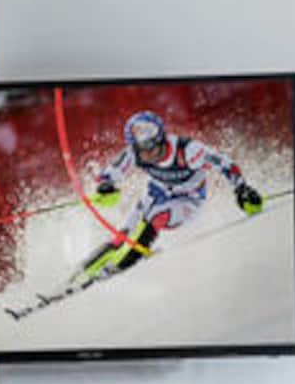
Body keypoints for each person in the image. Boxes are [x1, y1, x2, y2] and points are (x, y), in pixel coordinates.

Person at [72, 110, 264, 285]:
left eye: (153, 148)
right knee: (123, 234)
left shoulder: (188, 150)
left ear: (162, 139)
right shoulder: (134, 153)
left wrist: (241, 188)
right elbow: (111, 173)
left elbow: (224, 163)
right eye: (143, 150)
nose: (149, 155)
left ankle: (119, 266)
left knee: (156, 216)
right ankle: (81, 272)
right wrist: (106, 186)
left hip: (188, 200)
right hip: (156, 194)